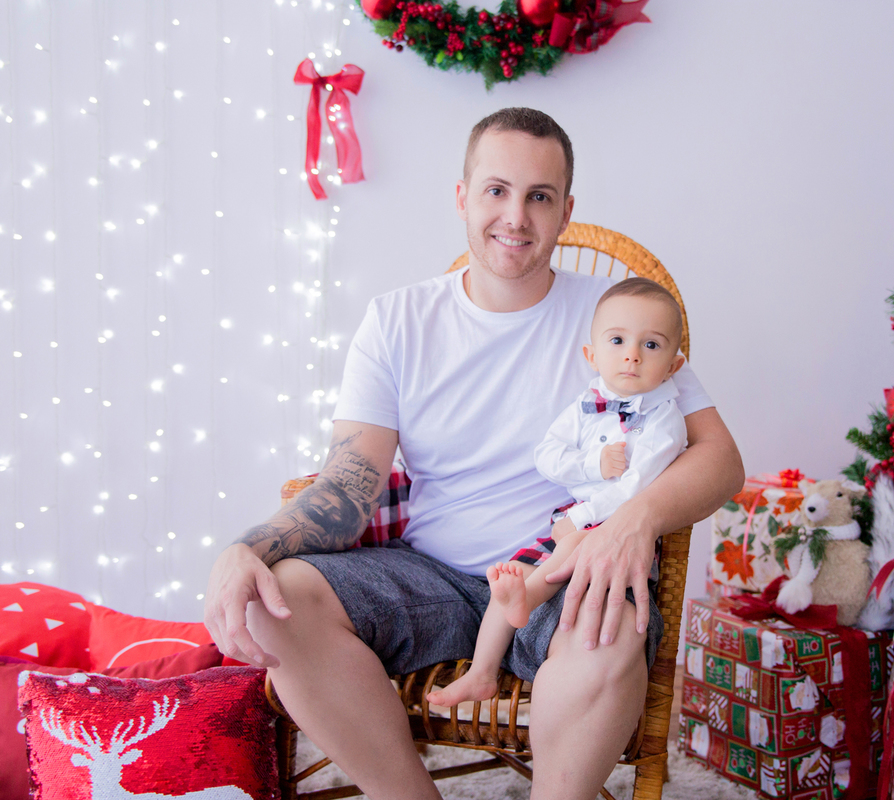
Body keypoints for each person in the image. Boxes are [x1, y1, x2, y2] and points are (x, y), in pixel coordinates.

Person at [203, 107, 743, 800]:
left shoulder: (617, 319)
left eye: (539, 196)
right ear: (462, 197)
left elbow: (720, 459)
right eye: (496, 190)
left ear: (566, 211)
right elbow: (349, 482)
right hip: (423, 575)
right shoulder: (397, 320)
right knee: (275, 601)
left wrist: (636, 520)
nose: (515, 216)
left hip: (556, 573)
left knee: (611, 619)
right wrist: (245, 548)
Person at [427, 277, 689, 707]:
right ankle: (481, 673)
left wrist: (581, 519)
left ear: (674, 366)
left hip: (620, 528)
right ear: (592, 355)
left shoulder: (665, 421)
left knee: (572, 545)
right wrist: (591, 465)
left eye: (651, 345)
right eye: (618, 340)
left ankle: (526, 601)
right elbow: (547, 455)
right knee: (514, 571)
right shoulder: (586, 404)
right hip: (573, 514)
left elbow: (637, 489)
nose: (632, 355)